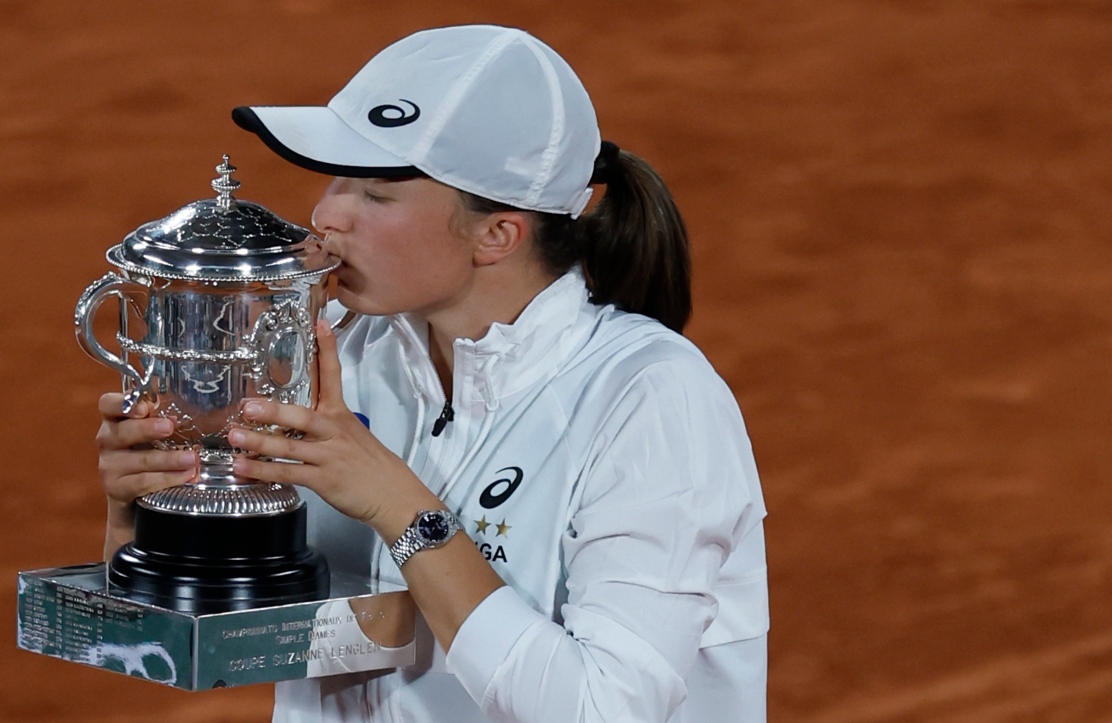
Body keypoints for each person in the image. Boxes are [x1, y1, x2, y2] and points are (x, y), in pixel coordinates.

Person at [96, 24, 768, 723]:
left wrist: (398, 504)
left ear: (497, 234)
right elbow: (229, 637)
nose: (327, 216)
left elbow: (605, 708)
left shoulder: (648, 399)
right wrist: (155, 517)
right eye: (337, 180)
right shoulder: (338, 355)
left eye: (377, 195)